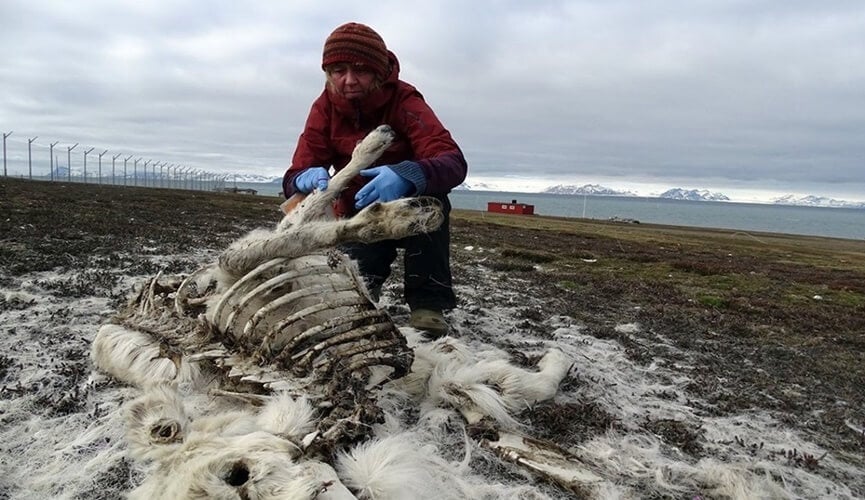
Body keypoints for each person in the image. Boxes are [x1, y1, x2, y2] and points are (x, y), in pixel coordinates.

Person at [283, 22, 467, 338]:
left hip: (410, 204)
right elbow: (297, 171)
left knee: (434, 207)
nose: (349, 80)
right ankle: (365, 295)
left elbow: (451, 161)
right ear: (327, 72)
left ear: (379, 71)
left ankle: (427, 307)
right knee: (356, 288)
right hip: (357, 210)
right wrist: (302, 178)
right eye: (338, 70)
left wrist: (408, 175)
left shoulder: (405, 101)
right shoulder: (324, 108)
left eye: (360, 70)